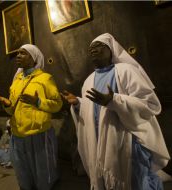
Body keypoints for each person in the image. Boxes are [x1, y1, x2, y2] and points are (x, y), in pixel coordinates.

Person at [61, 33, 170, 190]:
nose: (93, 49)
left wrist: (114, 101)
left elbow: (150, 104)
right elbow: (94, 108)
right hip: (99, 140)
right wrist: (78, 102)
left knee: (134, 181)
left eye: (99, 46)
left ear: (111, 50)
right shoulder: (88, 80)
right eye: (91, 48)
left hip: (127, 140)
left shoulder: (127, 71)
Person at [0, 44, 62, 190]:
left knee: (43, 169)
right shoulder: (16, 81)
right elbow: (12, 110)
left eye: (23, 53)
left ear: (34, 58)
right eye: (18, 53)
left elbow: (57, 104)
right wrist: (7, 105)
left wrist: (37, 102)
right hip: (17, 133)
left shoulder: (45, 79)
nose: (18, 56)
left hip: (38, 133)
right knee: (22, 168)